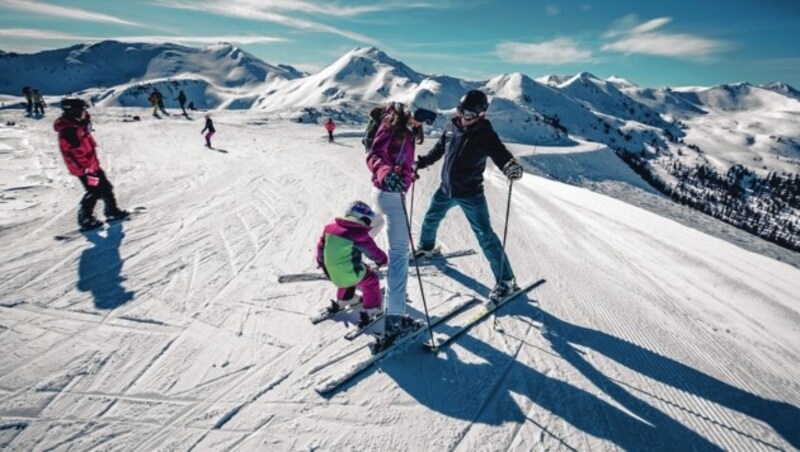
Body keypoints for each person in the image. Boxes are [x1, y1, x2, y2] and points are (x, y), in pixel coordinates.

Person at [414, 90, 524, 301]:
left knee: (485, 236)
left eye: (468, 115)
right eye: (460, 111)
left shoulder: (485, 134)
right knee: (431, 218)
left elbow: (502, 154)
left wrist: (511, 166)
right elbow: (439, 149)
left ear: (480, 115)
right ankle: (426, 248)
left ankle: (506, 280)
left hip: (470, 193)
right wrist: (422, 162)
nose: (463, 118)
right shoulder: (452, 125)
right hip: (446, 189)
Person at [366, 100, 436, 340]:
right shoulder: (391, 123)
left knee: (373, 226)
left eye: (425, 120)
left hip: (384, 192)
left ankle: (349, 265)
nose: (419, 122)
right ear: (410, 109)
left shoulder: (405, 128)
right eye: (418, 116)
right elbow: (375, 154)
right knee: (399, 255)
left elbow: (398, 158)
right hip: (389, 193)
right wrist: (387, 174)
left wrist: (407, 173)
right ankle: (394, 320)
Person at [54, 98, 129, 231]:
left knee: (105, 187)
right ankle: (86, 218)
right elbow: (73, 154)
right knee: (94, 191)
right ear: (74, 112)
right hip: (85, 169)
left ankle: (111, 211)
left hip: (91, 165)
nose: (85, 112)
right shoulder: (70, 131)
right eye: (82, 110)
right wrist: (87, 169)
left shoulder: (77, 125)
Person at [316, 201, 388, 324]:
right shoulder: (358, 233)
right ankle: (372, 309)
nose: (368, 224)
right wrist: (382, 260)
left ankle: (344, 299)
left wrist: (322, 263)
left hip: (332, 273)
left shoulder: (329, 228)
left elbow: (321, 247)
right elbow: (372, 251)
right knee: (371, 279)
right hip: (348, 274)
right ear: (362, 218)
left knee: (352, 270)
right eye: (367, 221)